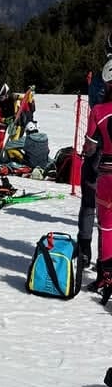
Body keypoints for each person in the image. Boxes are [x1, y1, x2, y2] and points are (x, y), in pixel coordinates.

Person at [78, 57, 112, 293]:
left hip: (107, 174)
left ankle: (105, 276)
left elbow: (90, 146)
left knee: (107, 227)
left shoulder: (99, 110)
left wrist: (85, 151)